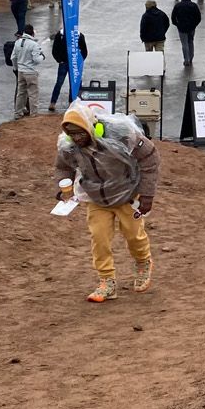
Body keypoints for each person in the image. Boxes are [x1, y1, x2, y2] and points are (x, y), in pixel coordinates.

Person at [54, 105, 159, 302]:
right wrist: (61, 188)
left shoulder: (121, 135)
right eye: (71, 134)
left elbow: (150, 157)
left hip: (127, 195)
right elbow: (62, 167)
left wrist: (147, 194)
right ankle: (107, 282)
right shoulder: (68, 146)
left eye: (79, 132)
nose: (76, 138)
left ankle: (143, 262)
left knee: (133, 235)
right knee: (99, 238)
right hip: (97, 198)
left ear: (91, 127)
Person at [49, 27, 89, 112]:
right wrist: (59, 60)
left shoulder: (79, 35)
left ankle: (71, 103)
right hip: (64, 63)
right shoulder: (61, 35)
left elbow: (84, 51)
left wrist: (79, 61)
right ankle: (53, 102)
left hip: (73, 64)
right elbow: (55, 49)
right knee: (60, 83)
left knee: (72, 84)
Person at [11, 24, 45, 117]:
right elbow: (36, 60)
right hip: (30, 72)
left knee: (21, 93)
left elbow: (13, 57)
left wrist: (16, 68)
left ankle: (18, 113)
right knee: (33, 93)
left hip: (21, 71)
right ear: (32, 33)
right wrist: (42, 56)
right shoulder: (34, 44)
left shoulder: (18, 42)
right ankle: (33, 113)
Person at [170, 0, 201, 67]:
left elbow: (173, 17)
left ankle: (186, 60)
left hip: (181, 28)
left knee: (184, 44)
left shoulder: (178, 6)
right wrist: (194, 25)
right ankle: (191, 58)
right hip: (191, 27)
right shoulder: (194, 5)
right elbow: (198, 17)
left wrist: (177, 24)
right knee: (191, 42)